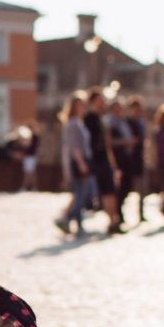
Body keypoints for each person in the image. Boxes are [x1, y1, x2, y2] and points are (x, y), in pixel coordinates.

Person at [54, 91, 92, 235]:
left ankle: (78, 225)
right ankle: (66, 218)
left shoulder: (79, 123)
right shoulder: (73, 124)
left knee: (80, 194)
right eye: (80, 105)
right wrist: (81, 163)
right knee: (81, 194)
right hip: (78, 161)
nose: (83, 108)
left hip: (81, 160)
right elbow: (74, 147)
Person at [85, 88, 122, 232]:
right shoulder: (88, 119)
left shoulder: (102, 120)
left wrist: (113, 164)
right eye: (99, 101)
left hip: (103, 159)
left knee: (110, 191)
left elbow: (107, 144)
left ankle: (114, 221)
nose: (102, 103)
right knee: (89, 192)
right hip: (93, 160)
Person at [108, 98, 136, 220]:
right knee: (118, 188)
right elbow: (109, 142)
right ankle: (117, 213)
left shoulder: (125, 122)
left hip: (128, 159)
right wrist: (126, 142)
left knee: (127, 186)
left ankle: (119, 210)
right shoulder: (109, 122)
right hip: (117, 158)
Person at [126, 97, 147, 222]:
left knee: (142, 188)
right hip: (128, 159)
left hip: (139, 157)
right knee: (127, 187)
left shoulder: (141, 123)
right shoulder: (126, 122)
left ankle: (141, 212)